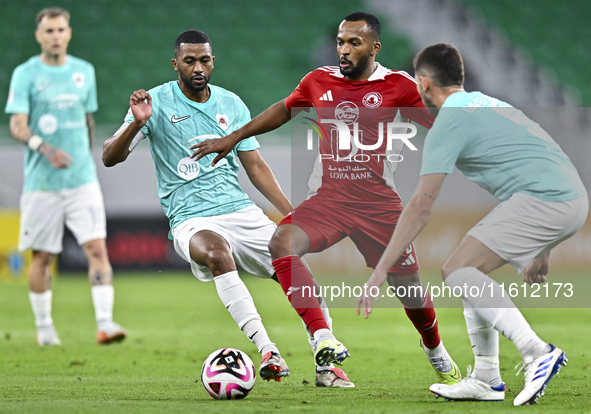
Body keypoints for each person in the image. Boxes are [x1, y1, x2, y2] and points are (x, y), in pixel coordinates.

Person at [191, 11, 461, 386]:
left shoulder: (398, 85)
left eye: (354, 42)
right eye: (340, 42)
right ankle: (323, 338)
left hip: (379, 207)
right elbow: (283, 110)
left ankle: (436, 350)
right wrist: (233, 137)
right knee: (280, 242)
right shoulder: (319, 81)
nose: (344, 49)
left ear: (374, 47)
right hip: (329, 201)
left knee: (410, 290)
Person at [102, 29, 343, 384]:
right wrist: (136, 123)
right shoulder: (152, 103)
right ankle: (267, 350)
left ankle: (327, 364)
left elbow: (256, 166)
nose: (198, 67)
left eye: (204, 60)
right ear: (175, 64)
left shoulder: (232, 103)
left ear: (213, 62)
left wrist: (290, 212)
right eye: (189, 60)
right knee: (216, 253)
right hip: (190, 218)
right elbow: (110, 156)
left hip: (240, 211)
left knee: (297, 274)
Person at [356, 43, 588, 405]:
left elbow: (420, 206)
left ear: (423, 83)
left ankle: (535, 351)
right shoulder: (491, 104)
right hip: (570, 196)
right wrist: (544, 248)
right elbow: (544, 155)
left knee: (457, 269)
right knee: (469, 269)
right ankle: (485, 378)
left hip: (545, 200)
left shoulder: (448, 122)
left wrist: (380, 270)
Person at [5, 7, 126, 346]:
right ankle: (44, 328)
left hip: (82, 182)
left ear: (69, 33)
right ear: (38, 35)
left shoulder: (83, 72)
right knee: (42, 256)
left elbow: (87, 121)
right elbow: (17, 125)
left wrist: (87, 155)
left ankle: (105, 323)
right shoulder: (25, 74)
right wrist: (45, 148)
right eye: (49, 31)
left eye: (60, 30)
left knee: (97, 249)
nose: (55, 36)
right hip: (42, 184)